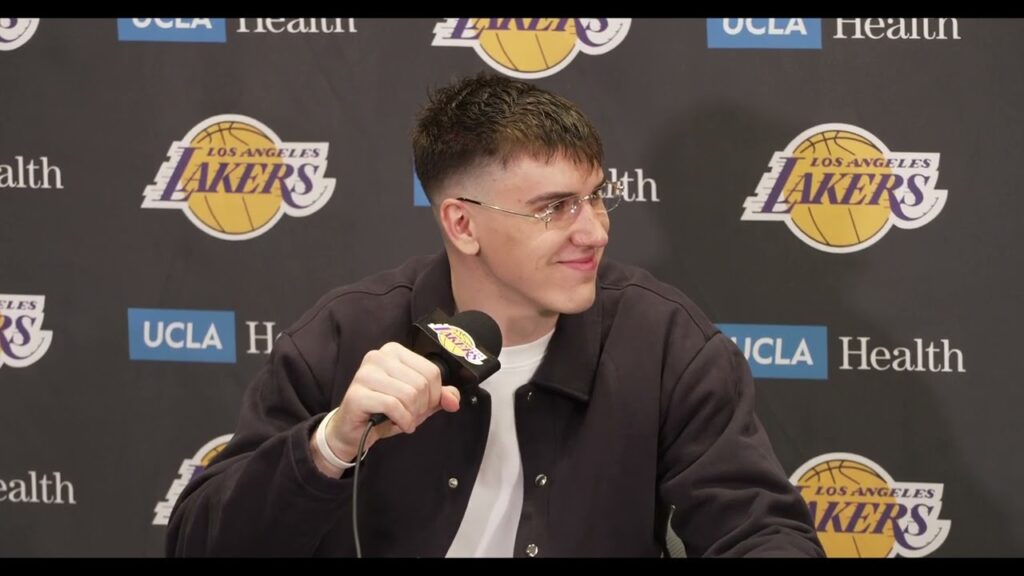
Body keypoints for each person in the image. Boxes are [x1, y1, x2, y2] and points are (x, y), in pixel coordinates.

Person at [166, 72, 824, 558]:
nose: (594, 232)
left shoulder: (663, 341)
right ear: (462, 224)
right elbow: (199, 544)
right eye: (554, 208)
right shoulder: (345, 336)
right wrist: (330, 446)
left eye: (596, 198)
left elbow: (760, 532)